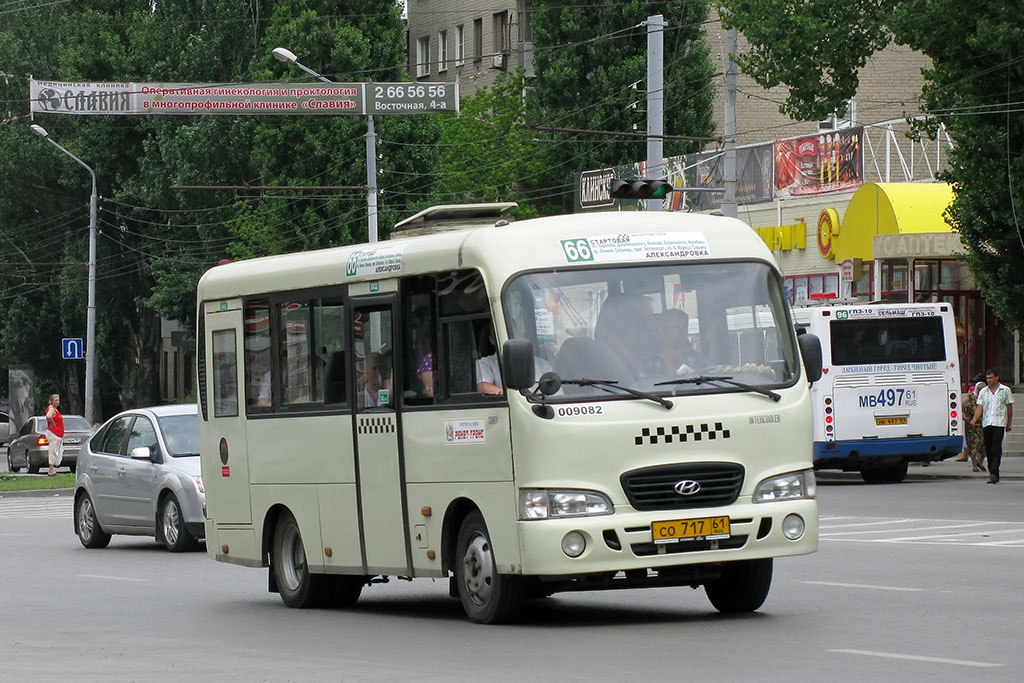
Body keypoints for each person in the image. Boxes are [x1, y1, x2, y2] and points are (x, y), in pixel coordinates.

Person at [970, 369, 1014, 484]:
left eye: (991, 378)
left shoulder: (1005, 390)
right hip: (987, 423)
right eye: (987, 378)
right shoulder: (983, 392)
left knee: (996, 448)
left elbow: (1009, 407)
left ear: (996, 378)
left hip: (999, 423)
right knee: (988, 449)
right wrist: (975, 419)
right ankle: (992, 471)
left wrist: (1009, 423)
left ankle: (994, 473)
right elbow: (980, 407)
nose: (989, 380)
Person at [958, 374, 985, 471]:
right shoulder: (971, 398)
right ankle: (974, 465)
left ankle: (980, 462)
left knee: (984, 446)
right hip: (972, 426)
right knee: (973, 445)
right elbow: (958, 407)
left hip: (983, 425)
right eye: (980, 388)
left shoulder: (987, 398)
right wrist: (965, 418)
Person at [44, 394, 64, 476]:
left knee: (56, 451)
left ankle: (52, 468)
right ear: (51, 401)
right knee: (52, 450)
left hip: (58, 434)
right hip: (54, 433)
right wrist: (53, 423)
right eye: (56, 400)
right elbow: (48, 416)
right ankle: (51, 470)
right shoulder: (51, 408)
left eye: (58, 400)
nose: (57, 402)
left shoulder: (55, 409)